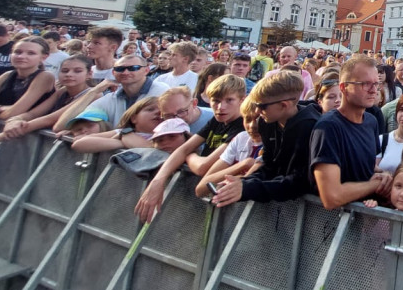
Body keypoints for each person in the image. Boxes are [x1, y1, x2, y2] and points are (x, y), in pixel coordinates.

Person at [135, 75, 248, 221]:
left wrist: (189, 155)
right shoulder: (217, 119)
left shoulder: (242, 127)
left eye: (229, 100)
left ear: (242, 100)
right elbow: (183, 150)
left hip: (225, 202)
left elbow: (203, 166)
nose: (221, 107)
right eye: (216, 101)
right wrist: (157, 182)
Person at [213, 72, 320, 207]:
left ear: (284, 105)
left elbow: (301, 181)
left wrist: (248, 188)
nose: (257, 110)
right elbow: (269, 165)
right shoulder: (266, 122)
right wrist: (243, 183)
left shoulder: (312, 128)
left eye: (262, 106)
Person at [309, 55, 392, 209]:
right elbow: (331, 197)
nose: (374, 90)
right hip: (330, 225)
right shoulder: (328, 127)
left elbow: (364, 166)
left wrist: (384, 175)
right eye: (365, 84)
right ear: (343, 87)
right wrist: (373, 185)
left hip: (361, 221)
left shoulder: (370, 121)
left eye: (376, 83)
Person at [55, 54, 170, 131]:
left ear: (146, 70)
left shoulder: (162, 92)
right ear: (114, 73)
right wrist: (93, 92)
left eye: (133, 68)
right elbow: (60, 127)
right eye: (119, 69)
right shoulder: (112, 98)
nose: (125, 72)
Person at [0, 54, 91, 139]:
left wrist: (5, 134)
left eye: (77, 71)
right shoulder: (62, 91)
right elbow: (33, 114)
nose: (69, 74)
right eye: (64, 71)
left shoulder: (93, 94)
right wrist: (15, 119)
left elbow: (49, 119)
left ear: (89, 74)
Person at [196, 96, 265, 199]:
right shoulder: (241, 138)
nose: (252, 126)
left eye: (259, 120)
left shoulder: (275, 143)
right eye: (248, 119)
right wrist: (243, 164)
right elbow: (201, 188)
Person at [70, 96, 163, 153]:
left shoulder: (168, 136)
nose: (158, 113)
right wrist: (123, 141)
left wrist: (128, 141)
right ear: (134, 118)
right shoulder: (122, 133)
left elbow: (150, 150)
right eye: (150, 109)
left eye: (162, 112)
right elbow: (79, 144)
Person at [0, 37, 55, 121]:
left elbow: (13, 113)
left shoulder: (45, 77)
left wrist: (0, 108)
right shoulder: (7, 75)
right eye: (18, 52)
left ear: (43, 57)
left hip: (28, 131)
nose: (21, 56)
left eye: (31, 53)